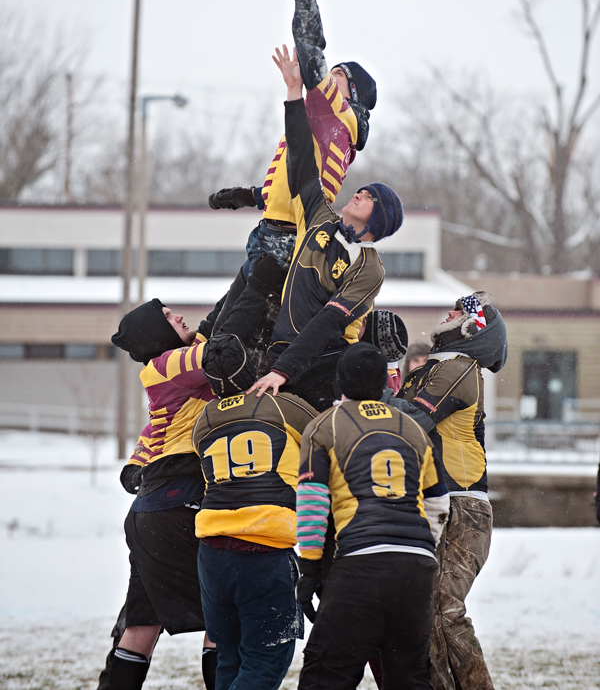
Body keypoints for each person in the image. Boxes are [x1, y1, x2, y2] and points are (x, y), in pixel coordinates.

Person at [97, 255, 285, 690]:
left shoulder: (169, 374)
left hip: (151, 513)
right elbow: (221, 348)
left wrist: (250, 269)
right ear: (155, 335)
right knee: (220, 617)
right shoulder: (165, 365)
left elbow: (218, 318)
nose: (178, 315)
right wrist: (258, 289)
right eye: (167, 316)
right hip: (184, 501)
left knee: (142, 623)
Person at [207, 0, 377, 337]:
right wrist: (250, 195)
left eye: (336, 74)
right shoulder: (325, 122)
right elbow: (296, 178)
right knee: (214, 332)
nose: (326, 75)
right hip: (271, 231)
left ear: (349, 90)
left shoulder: (341, 115)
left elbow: (311, 50)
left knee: (234, 341)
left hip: (285, 243)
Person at [248, 44, 404, 412]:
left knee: (316, 450)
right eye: (362, 190)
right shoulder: (321, 218)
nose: (359, 193)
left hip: (321, 367)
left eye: (368, 198)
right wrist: (292, 94)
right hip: (282, 357)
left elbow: (327, 323)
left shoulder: (369, 267)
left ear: (377, 221)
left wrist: (283, 372)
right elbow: (301, 157)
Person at [295, 343, 450, 690]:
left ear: (340, 381)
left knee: (326, 675)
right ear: (385, 382)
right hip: (416, 568)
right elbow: (439, 502)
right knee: (409, 677)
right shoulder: (412, 428)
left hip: (360, 565)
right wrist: (418, 549)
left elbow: (312, 500)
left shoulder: (325, 426)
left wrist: (309, 567)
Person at [191, 333, 318, 690]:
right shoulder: (282, 405)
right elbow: (330, 435)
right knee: (265, 661)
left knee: (230, 657)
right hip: (263, 549)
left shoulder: (204, 420)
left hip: (212, 553)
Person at [396, 292, 508, 690]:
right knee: (425, 613)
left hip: (460, 504)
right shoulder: (436, 367)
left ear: (472, 326)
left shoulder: (458, 367)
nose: (449, 314)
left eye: (459, 311)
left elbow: (410, 420)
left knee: (443, 611)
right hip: (437, 502)